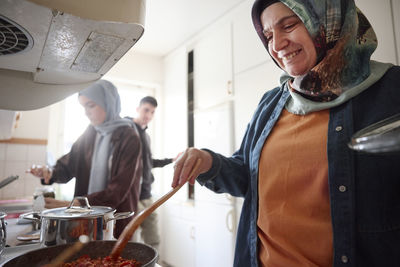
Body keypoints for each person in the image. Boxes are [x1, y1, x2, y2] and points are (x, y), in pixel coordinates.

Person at [172, 0, 400, 266]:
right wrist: (208, 162)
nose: (277, 45)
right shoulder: (270, 104)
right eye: (268, 36)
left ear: (330, 20)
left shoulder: (392, 91)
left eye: (289, 25)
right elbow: (248, 178)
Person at [28, 80, 142, 238]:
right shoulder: (90, 132)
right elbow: (70, 165)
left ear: (108, 103)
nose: (86, 112)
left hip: (116, 219)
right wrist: (50, 172)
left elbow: (117, 191)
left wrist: (75, 204)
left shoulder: (129, 137)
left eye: (91, 105)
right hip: (86, 220)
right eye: (83, 107)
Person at [126, 96, 174, 251]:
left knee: (153, 239)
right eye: (146, 110)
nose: (149, 115)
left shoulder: (146, 136)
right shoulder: (126, 129)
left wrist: (171, 160)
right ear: (138, 109)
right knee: (131, 241)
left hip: (147, 195)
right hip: (131, 196)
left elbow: (148, 163)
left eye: (152, 112)